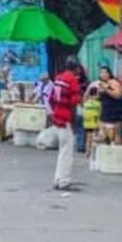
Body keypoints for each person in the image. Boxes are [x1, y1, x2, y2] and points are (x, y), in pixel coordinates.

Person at [50, 57, 82, 191]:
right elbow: (74, 103)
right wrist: (74, 123)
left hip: (57, 118)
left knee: (62, 151)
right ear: (75, 68)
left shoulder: (58, 78)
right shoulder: (72, 80)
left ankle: (58, 179)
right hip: (66, 119)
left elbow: (51, 98)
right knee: (67, 152)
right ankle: (63, 181)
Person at [95, 66, 122, 146]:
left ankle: (117, 154)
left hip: (115, 112)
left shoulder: (113, 82)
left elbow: (118, 95)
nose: (103, 74)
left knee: (116, 135)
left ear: (109, 73)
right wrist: (98, 94)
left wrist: (106, 90)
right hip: (106, 112)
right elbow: (99, 98)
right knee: (104, 135)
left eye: (105, 72)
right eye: (101, 72)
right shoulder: (101, 84)